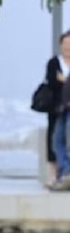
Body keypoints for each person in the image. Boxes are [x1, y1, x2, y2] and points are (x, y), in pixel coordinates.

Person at [46, 32, 70, 189]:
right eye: (65, 44)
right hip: (58, 108)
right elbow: (51, 82)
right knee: (57, 140)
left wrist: (64, 80)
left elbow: (61, 81)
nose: (68, 47)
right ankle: (65, 171)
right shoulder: (54, 63)